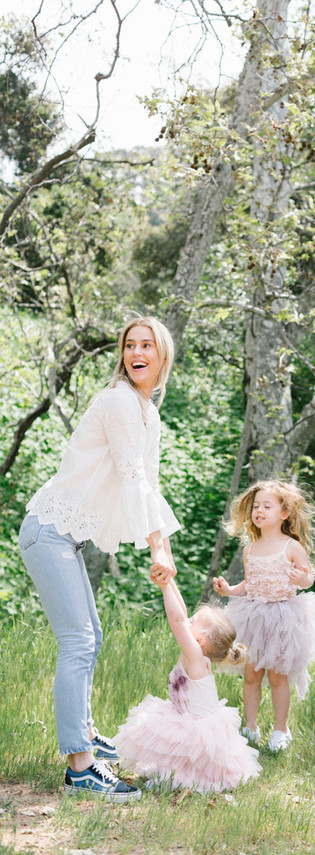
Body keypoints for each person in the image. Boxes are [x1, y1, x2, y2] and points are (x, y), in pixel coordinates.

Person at [18, 317, 180, 802]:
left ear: (162, 355)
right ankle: (80, 769)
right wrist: (156, 547)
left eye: (146, 344)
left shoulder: (146, 411)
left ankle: (84, 738)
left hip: (63, 538)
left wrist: (163, 548)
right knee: (79, 641)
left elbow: (149, 486)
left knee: (92, 637)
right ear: (123, 356)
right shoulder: (118, 402)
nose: (136, 351)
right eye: (130, 344)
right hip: (49, 532)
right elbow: (133, 479)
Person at [113, 579, 261, 793]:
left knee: (186, 766)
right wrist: (170, 578)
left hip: (197, 729)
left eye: (193, 621)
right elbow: (181, 613)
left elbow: (176, 620)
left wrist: (164, 587)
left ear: (200, 641)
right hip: (187, 718)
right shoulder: (197, 653)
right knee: (169, 743)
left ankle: (180, 779)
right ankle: (172, 775)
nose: (187, 620)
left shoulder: (195, 657)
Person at [213, 480, 315, 752]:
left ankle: (281, 729)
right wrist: (230, 590)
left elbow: (308, 577)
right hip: (252, 617)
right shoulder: (249, 549)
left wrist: (302, 578)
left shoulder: (291, 546)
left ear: (284, 513)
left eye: (267, 506)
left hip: (282, 618)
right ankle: (250, 727)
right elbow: (249, 584)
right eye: (255, 506)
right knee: (251, 674)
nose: (259, 511)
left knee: (277, 676)